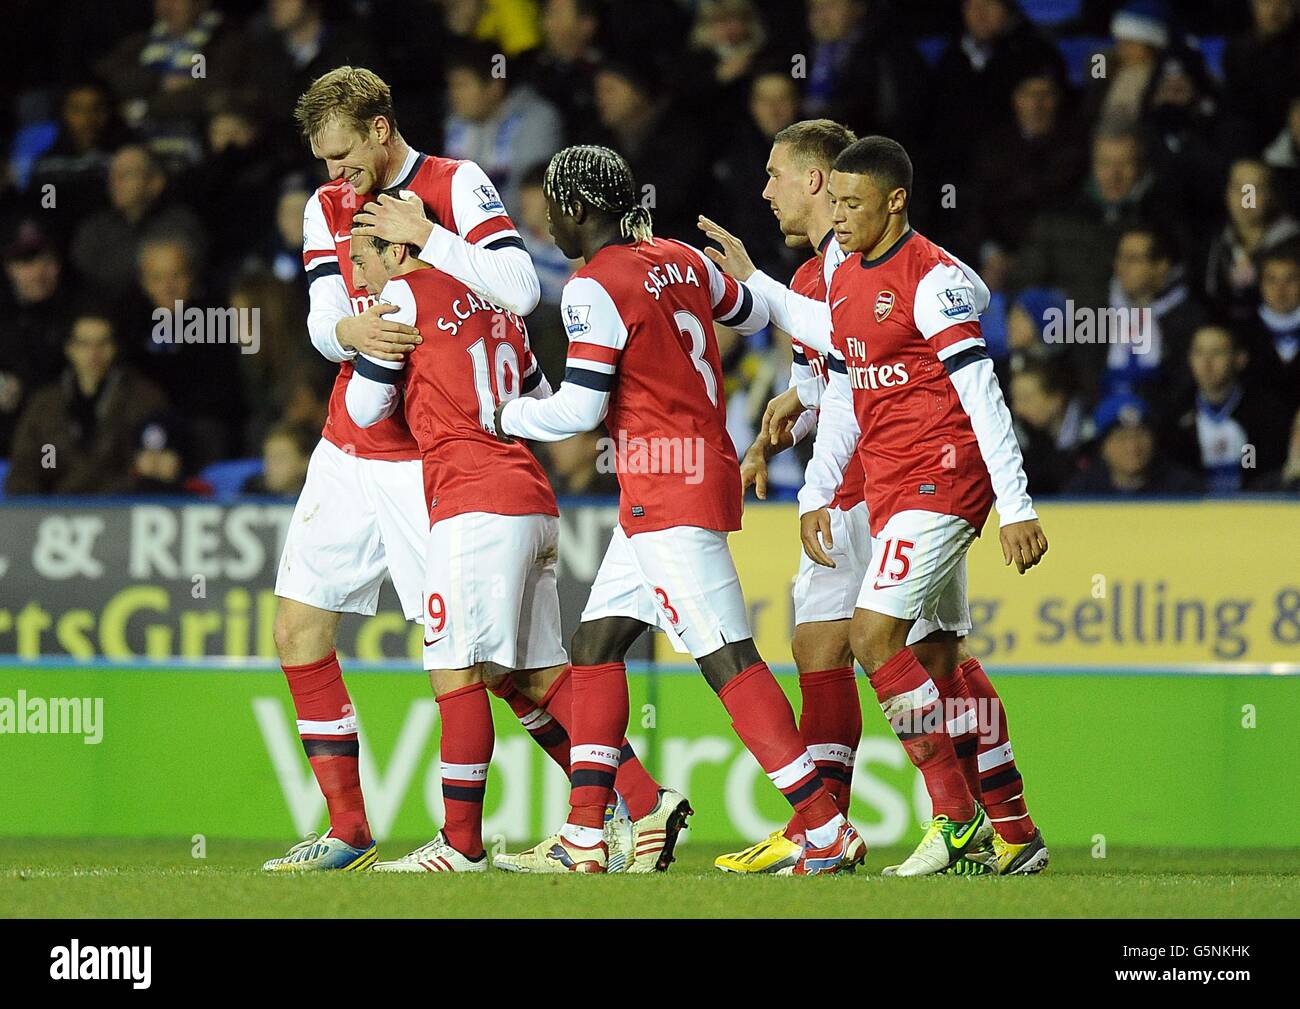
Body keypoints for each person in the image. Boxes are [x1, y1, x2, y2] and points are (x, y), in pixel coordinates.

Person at [493, 145, 864, 874]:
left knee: (728, 657)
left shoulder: (591, 285)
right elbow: (755, 313)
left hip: (667, 489)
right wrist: (740, 270)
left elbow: (582, 405)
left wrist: (502, 416)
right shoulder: (682, 259)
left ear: (579, 210)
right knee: (596, 643)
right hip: (689, 475)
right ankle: (585, 837)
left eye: (552, 213)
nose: (549, 228)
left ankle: (824, 825)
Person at [704, 127, 1048, 876]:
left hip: (925, 480)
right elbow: (845, 378)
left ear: (828, 185)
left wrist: (1016, 502)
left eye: (776, 176)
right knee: (927, 653)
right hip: (878, 485)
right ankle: (1009, 826)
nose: (766, 191)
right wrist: (800, 448)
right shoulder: (827, 279)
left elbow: (970, 366)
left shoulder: (909, 272)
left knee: (863, 641)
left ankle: (930, 819)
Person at [261, 65, 542, 873]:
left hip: (434, 458)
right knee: (297, 628)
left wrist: (429, 239)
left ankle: (622, 796)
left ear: (381, 129)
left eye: (344, 155)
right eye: (322, 160)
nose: (334, 175)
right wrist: (351, 332)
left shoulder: (459, 184)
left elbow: (522, 292)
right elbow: (322, 320)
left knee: (490, 664)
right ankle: (347, 828)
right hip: (351, 447)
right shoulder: (326, 207)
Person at [342, 231, 678, 873]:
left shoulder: (406, 298)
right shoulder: (501, 310)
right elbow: (543, 399)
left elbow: (362, 408)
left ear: (398, 250)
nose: (360, 276)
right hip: (530, 499)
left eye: (362, 258)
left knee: (456, 671)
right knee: (532, 678)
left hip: (474, 506)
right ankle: (645, 801)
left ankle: (460, 845)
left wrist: (370, 347)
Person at [5, 310, 168, 496]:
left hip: (120, 508)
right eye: (84, 344)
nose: (94, 353)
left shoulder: (144, 399)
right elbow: (25, 467)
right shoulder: (45, 405)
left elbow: (152, 467)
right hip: (55, 514)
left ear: (114, 348)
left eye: (102, 343)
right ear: (70, 348)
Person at [1158, 325, 1288, 492]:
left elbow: (1270, 474)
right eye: (1199, 353)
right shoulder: (1174, 415)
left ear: (1240, 359)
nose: (1207, 362)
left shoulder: (1267, 413)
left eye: (1217, 352)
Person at [1066, 393, 1202, 496]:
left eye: (1140, 435)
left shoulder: (1183, 489)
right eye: (1122, 438)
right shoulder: (1082, 493)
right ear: (1103, 447)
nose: (1133, 447)